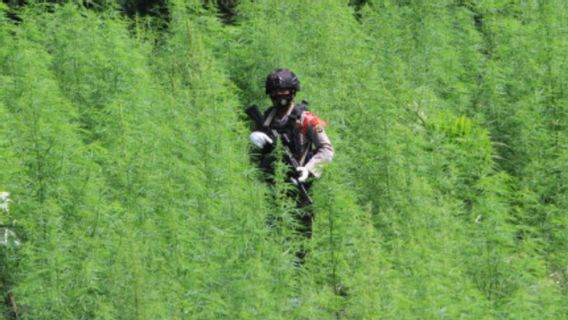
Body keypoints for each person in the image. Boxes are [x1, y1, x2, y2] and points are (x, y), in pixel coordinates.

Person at [248, 68, 334, 240]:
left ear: (293, 92)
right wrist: (257, 146)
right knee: (271, 238)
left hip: (297, 186)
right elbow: (252, 159)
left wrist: (308, 170)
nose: (279, 95)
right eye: (275, 92)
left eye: (283, 91)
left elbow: (327, 150)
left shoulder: (306, 119)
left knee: (300, 242)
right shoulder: (265, 120)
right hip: (270, 188)